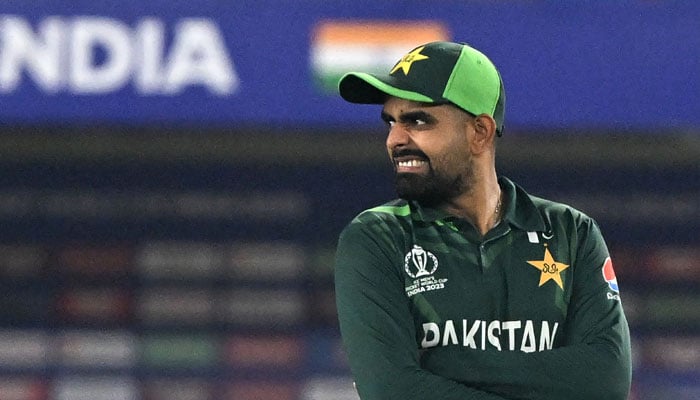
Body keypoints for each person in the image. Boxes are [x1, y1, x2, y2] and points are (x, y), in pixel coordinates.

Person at [333, 41, 632, 400]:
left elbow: (605, 381)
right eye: (391, 122)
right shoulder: (377, 237)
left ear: (480, 133)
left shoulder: (571, 232)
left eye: (417, 120)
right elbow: (392, 390)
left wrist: (446, 363)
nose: (395, 139)